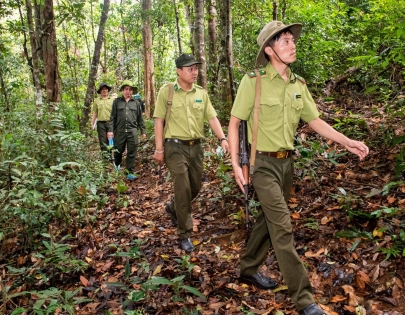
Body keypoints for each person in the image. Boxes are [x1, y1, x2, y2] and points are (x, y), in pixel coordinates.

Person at [227, 21, 369, 315]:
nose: (292, 45)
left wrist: (347, 141)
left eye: (292, 40)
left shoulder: (298, 84)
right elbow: (235, 122)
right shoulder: (252, 81)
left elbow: (315, 121)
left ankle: (248, 267)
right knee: (282, 227)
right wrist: (236, 165)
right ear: (269, 50)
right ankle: (304, 300)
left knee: (269, 221)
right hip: (261, 164)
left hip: (286, 164)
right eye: (284, 41)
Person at [153, 53, 230, 253]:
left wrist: (223, 138)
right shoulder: (167, 92)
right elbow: (159, 120)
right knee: (182, 187)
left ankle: (173, 207)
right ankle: (185, 233)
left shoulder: (201, 93)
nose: (194, 72)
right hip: (174, 147)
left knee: (195, 186)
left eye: (196, 68)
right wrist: (159, 149)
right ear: (179, 71)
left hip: (196, 148)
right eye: (190, 69)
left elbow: (212, 117)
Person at [107, 80, 146, 180]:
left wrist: (143, 131)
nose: (128, 91)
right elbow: (112, 117)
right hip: (119, 131)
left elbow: (140, 118)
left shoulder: (136, 103)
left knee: (132, 152)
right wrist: (110, 130)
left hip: (132, 131)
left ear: (132, 91)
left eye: (130, 90)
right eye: (126, 89)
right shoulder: (117, 102)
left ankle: (130, 172)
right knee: (118, 151)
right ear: (123, 91)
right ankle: (117, 168)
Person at [91, 82, 114, 161]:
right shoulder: (97, 101)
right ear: (100, 91)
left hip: (110, 123)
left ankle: (111, 156)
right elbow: (95, 113)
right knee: (102, 141)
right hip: (100, 124)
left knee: (110, 140)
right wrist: (92, 123)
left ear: (108, 90)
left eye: (106, 89)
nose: (104, 90)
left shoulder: (112, 100)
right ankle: (105, 158)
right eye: (103, 89)